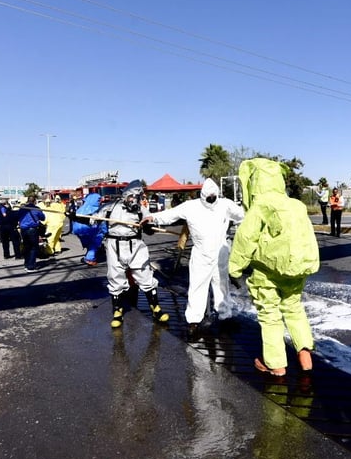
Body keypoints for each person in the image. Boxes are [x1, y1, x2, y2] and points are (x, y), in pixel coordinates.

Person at [228, 158, 319, 377]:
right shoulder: (296, 205)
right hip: (297, 268)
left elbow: (245, 239)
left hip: (266, 271)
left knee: (270, 315)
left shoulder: (261, 206)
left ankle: (276, 364)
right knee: (294, 308)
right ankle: (305, 355)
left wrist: (235, 269)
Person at [142, 178, 244, 337]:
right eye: (208, 198)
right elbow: (170, 214)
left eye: (213, 197)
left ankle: (225, 316)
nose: (211, 200)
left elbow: (242, 216)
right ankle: (194, 321)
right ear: (202, 195)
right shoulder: (191, 206)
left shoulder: (226, 204)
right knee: (197, 286)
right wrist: (153, 218)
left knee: (222, 285)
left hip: (221, 252)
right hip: (201, 254)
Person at [102, 180, 169, 328]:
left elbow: (148, 224)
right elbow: (92, 218)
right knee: (115, 276)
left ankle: (155, 308)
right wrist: (77, 217)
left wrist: (149, 228)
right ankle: (117, 311)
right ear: (127, 195)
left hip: (135, 246)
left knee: (145, 275)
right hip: (114, 246)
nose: (136, 200)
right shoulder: (110, 207)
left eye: (138, 197)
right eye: (134, 197)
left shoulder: (140, 209)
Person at [17, 195, 45, 272]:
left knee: (26, 247)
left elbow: (17, 217)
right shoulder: (36, 209)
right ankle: (31, 266)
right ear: (35, 201)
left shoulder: (22, 209)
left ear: (27, 201)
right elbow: (43, 218)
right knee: (33, 248)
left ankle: (26, 264)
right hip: (32, 230)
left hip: (23, 230)